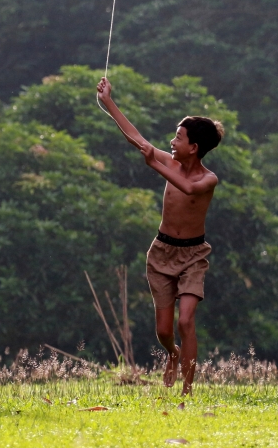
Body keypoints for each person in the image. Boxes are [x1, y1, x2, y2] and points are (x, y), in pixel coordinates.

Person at [97, 77, 223, 395]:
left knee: (185, 322)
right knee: (165, 330)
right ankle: (172, 353)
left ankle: (187, 389)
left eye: (178, 138)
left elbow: (189, 188)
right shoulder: (169, 162)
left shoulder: (208, 179)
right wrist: (108, 102)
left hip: (193, 255)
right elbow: (137, 139)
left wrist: (155, 165)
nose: (171, 142)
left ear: (194, 148)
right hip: (162, 253)